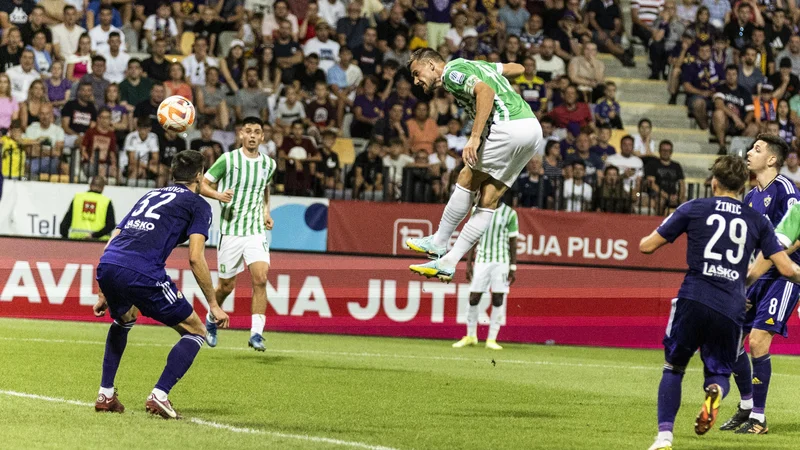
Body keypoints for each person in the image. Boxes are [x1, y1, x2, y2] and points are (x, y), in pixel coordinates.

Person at [640, 154, 800, 450]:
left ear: (713, 181)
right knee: (719, 372)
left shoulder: (694, 207)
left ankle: (664, 437)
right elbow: (788, 268)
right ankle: (716, 390)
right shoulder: (757, 220)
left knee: (673, 368)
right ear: (742, 187)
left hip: (694, 296)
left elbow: (647, 246)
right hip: (731, 304)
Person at [92, 150, 229, 419]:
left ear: (172, 173)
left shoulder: (151, 194)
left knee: (125, 317)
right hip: (142, 270)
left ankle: (105, 393)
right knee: (196, 331)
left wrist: (102, 292)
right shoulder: (199, 205)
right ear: (200, 176)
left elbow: (116, 236)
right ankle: (160, 395)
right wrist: (214, 304)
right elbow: (195, 257)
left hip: (109, 263)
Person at [407, 48, 542, 282]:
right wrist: (490, 68)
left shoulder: (450, 74)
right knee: (489, 198)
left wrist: (475, 136)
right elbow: (518, 68)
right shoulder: (477, 66)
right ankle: (448, 262)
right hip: (532, 130)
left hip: (507, 126)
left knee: (467, 177)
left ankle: (439, 242)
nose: (417, 80)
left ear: (431, 65)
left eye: (417, 73)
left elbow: (485, 91)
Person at [717, 135, 800, 434]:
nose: (750, 152)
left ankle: (759, 419)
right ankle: (746, 405)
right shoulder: (751, 196)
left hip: (785, 276)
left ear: (773, 159)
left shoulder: (787, 191)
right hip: (757, 275)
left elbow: (793, 238)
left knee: (758, 339)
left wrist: (761, 268)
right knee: (731, 339)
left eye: (757, 149)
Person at [200, 116, 276, 352]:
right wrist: (218, 196)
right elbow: (203, 184)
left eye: (257, 132)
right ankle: (212, 319)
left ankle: (256, 334)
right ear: (241, 135)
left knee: (261, 278)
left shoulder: (269, 164)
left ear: (262, 137)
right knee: (226, 286)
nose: (252, 136)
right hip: (231, 231)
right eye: (248, 131)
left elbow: (265, 189)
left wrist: (265, 212)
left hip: (255, 232)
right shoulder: (228, 159)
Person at [457, 201, 518, 350]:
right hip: (482, 260)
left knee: (498, 298)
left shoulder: (510, 213)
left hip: (501, 261)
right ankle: (471, 335)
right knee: (474, 297)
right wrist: (468, 262)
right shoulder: (477, 211)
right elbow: (472, 237)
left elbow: (513, 240)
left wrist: (513, 266)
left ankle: (492, 339)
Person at [59, 175, 116, 240]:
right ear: (103, 188)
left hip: (76, 242)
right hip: (98, 243)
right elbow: (111, 225)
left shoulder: (78, 198)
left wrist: (66, 240)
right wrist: (94, 235)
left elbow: (64, 224)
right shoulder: (106, 202)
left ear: (90, 185)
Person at [24, 103, 66, 177]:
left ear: (51, 115)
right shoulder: (31, 129)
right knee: (26, 166)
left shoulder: (58, 130)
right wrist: (51, 151)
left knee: (64, 167)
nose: (45, 117)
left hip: (52, 161)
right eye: (42, 114)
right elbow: (30, 152)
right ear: (38, 115)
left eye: (47, 114)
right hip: (34, 160)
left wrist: (38, 149)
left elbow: (58, 153)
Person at [645, 140, 686, 214]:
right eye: (663, 150)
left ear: (671, 152)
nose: (665, 152)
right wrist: (667, 196)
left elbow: (682, 183)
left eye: (668, 150)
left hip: (674, 194)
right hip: (657, 194)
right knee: (661, 201)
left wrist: (680, 197)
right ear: (659, 151)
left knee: (685, 203)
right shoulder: (652, 164)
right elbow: (651, 184)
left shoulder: (676, 166)